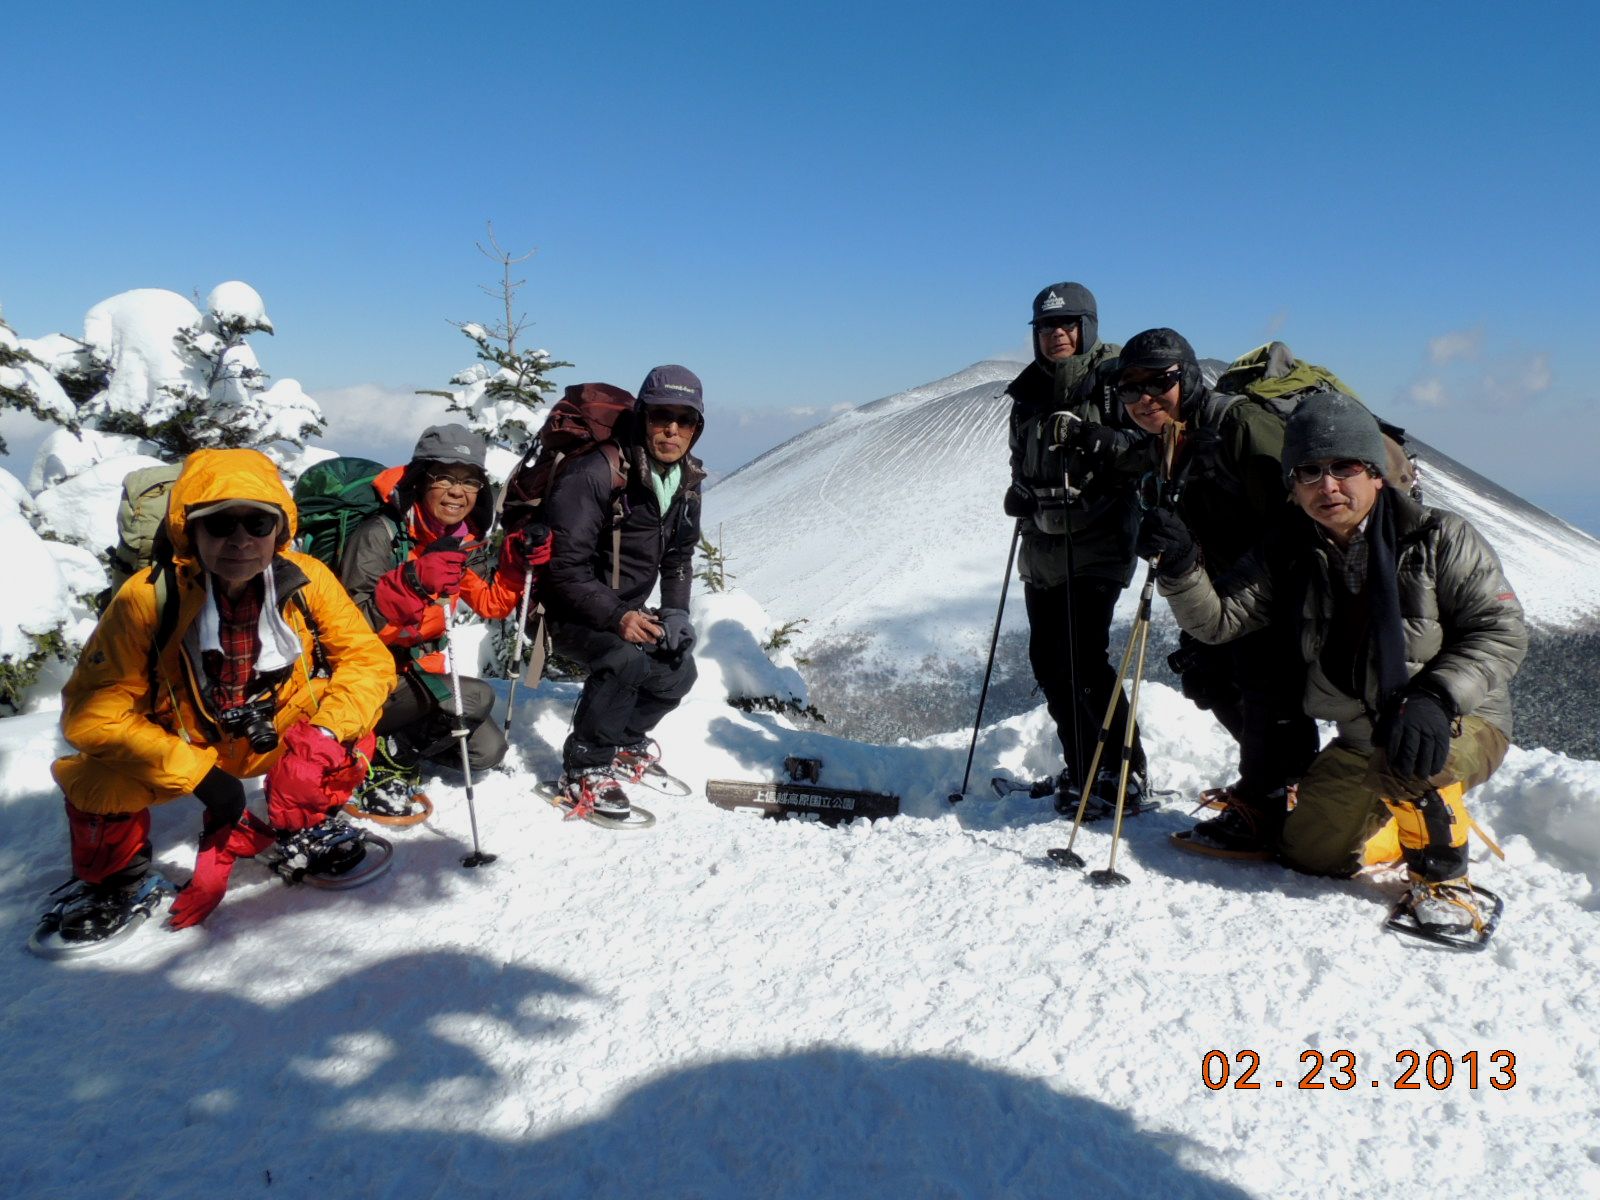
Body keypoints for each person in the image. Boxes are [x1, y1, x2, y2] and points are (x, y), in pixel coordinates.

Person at [1138, 392, 1526, 944]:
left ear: (1374, 474)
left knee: (1407, 752)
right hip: (1366, 734)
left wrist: (1436, 696)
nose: (1328, 486)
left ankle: (1442, 878)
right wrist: (1181, 566)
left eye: (1344, 467)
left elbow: (1502, 630)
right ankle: (1402, 820)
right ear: (1292, 485)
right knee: (1308, 854)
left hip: (1462, 719)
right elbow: (1220, 621)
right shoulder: (1288, 548)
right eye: (1310, 471)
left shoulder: (1440, 536)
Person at [48, 448, 395, 940]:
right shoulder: (148, 597)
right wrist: (199, 774)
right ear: (190, 531)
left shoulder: (305, 580)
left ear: (279, 530)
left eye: (257, 523)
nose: (240, 540)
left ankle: (305, 822)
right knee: (97, 776)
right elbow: (91, 715)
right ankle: (114, 880)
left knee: (339, 733)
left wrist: (323, 732)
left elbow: (366, 661)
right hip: (186, 739)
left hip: (268, 730)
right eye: (219, 524)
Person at [1114, 328, 1321, 849]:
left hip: (1279, 582)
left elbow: (1298, 518)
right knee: (1205, 678)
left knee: (1260, 677)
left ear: (1185, 377)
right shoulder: (1168, 441)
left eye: (1158, 383)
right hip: (1222, 586)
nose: (1144, 399)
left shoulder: (1239, 426)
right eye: (1130, 389)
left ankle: (1265, 804)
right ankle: (1291, 784)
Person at [339, 424, 550, 804]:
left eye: (470, 481)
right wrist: (413, 584)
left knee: (486, 752)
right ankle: (384, 757)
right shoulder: (380, 535)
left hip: (417, 679)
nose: (458, 491)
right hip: (365, 680)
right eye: (445, 477)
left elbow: (491, 603)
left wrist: (516, 562)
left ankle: (394, 738)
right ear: (420, 481)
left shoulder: (456, 542)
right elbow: (351, 630)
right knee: (474, 698)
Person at [1003, 282, 1148, 815]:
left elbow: (1153, 449)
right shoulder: (1029, 393)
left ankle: (1123, 772)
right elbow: (1022, 459)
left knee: (1083, 659)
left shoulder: (1117, 382)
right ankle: (1086, 767)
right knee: (1048, 660)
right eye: (1046, 327)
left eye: (1067, 325)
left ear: (1087, 327)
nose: (1057, 335)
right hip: (1043, 544)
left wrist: (1099, 441)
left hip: (1101, 539)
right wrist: (1020, 490)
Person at [543, 366, 705, 818]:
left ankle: (623, 742)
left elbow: (677, 558)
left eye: (685, 419)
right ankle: (585, 766)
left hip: (624, 609)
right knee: (624, 659)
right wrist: (618, 617)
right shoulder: (596, 473)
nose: (672, 429)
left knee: (678, 669)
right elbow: (564, 568)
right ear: (642, 417)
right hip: (568, 609)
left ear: (697, 427)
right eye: (660, 416)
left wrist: (675, 613)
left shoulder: (686, 484)